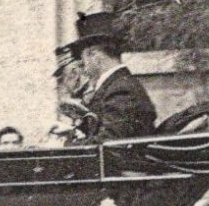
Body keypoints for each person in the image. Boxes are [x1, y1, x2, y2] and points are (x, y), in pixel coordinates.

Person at [61, 11, 155, 142]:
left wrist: (68, 147)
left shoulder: (121, 90)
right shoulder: (117, 85)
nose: (83, 65)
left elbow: (109, 144)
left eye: (82, 58)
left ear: (94, 55)